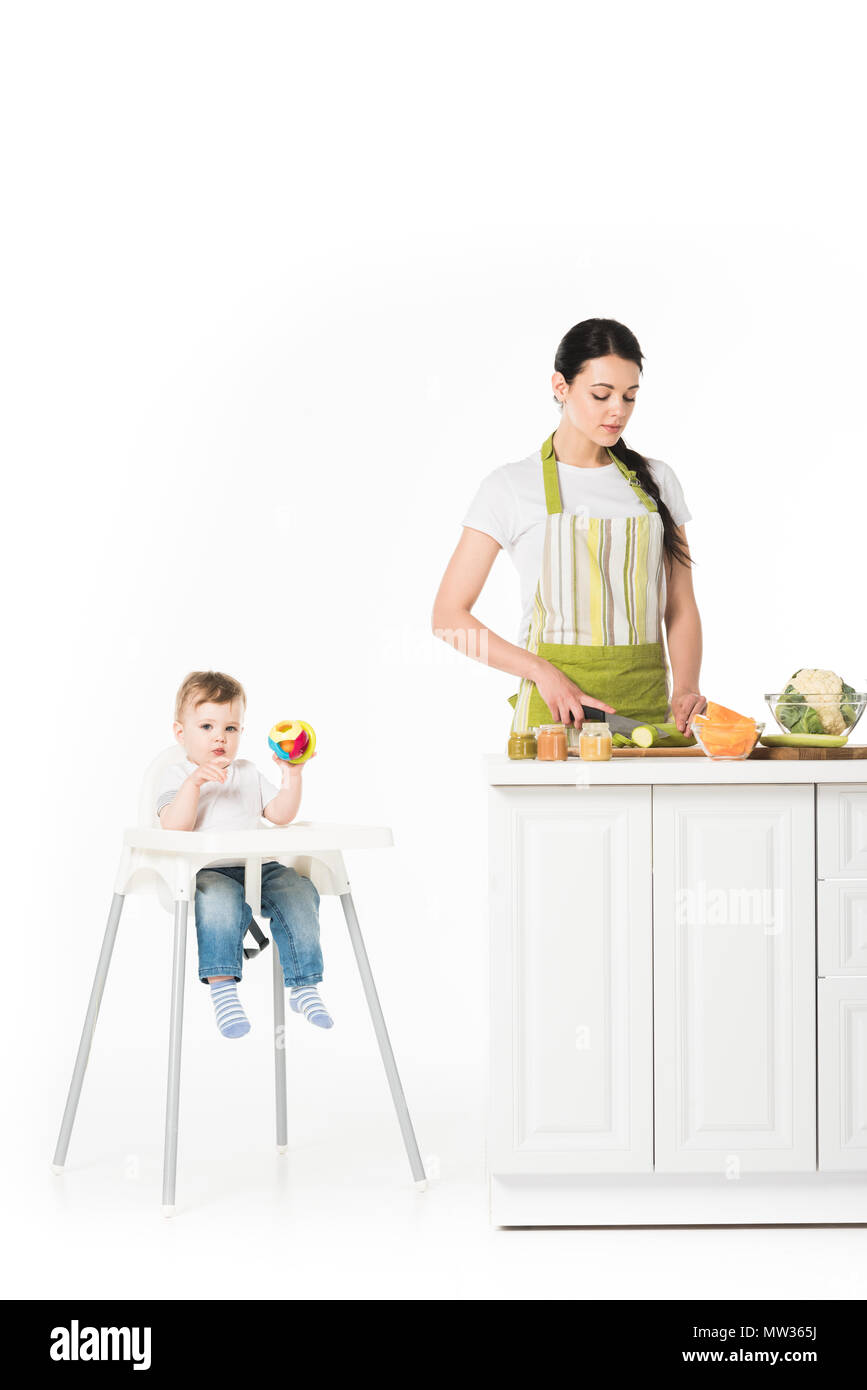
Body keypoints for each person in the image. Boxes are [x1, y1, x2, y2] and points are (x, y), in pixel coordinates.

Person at [431, 317, 707, 740]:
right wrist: (539, 671)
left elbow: (681, 605)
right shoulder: (509, 487)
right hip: (553, 726)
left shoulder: (658, 480)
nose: (618, 410)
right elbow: (448, 618)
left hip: (648, 719)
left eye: (630, 397)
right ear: (561, 387)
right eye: (602, 394)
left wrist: (686, 688)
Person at [156, 669, 333, 1037]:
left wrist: (292, 775)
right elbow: (174, 826)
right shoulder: (176, 776)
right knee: (217, 902)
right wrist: (194, 783)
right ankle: (223, 989)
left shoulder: (248, 772)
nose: (219, 736)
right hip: (210, 870)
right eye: (206, 726)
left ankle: (304, 986)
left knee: (299, 891)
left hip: (260, 866)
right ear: (180, 733)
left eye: (231, 728)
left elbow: (280, 816)